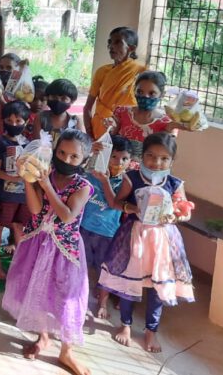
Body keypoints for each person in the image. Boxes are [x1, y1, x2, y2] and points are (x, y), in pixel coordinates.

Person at [2, 129, 94, 375]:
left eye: (74, 156)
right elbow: (34, 209)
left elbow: (66, 215)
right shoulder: (45, 173)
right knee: (39, 289)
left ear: (85, 160)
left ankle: (67, 352)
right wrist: (28, 181)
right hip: (36, 242)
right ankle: (44, 336)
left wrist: (45, 185)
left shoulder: (83, 186)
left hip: (64, 249)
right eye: (62, 153)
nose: (66, 159)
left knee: (66, 298)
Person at [99, 132, 194, 354]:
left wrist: (176, 216)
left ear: (172, 161)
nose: (156, 162)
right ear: (143, 155)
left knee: (157, 286)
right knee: (128, 282)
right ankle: (126, 325)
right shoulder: (132, 177)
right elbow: (115, 202)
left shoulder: (174, 183)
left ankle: (151, 330)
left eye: (164, 158)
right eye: (151, 156)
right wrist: (133, 209)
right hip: (134, 236)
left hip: (163, 241)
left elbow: (184, 211)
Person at [81, 135, 131, 319]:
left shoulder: (125, 183)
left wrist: (105, 181)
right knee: (82, 266)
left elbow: (113, 203)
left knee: (105, 270)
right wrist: (89, 153)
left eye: (124, 158)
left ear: (130, 161)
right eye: (114, 157)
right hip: (85, 229)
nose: (119, 162)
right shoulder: (92, 174)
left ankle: (102, 302)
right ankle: (80, 296)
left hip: (108, 234)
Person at [0, 100, 31, 280]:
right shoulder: (0, 143)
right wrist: (15, 178)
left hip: (24, 195)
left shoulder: (30, 144)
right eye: (10, 120)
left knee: (19, 227)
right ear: (3, 121)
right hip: (6, 195)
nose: (14, 125)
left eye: (18, 121)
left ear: (26, 122)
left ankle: (19, 264)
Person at [84, 27, 145, 140]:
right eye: (110, 42)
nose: (111, 46)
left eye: (117, 42)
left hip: (126, 129)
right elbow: (88, 107)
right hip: (100, 128)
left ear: (131, 48)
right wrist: (89, 133)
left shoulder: (141, 73)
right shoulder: (102, 72)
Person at [107, 71, 176, 161]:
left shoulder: (165, 123)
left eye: (151, 93)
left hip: (145, 173)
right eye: (140, 92)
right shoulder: (121, 113)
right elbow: (109, 144)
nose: (145, 96)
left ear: (162, 95)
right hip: (117, 168)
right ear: (134, 91)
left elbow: (164, 156)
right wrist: (116, 127)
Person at [32, 78, 84, 144]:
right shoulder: (40, 118)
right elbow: (37, 144)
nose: (58, 101)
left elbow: (82, 144)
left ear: (72, 101)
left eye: (64, 98)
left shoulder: (76, 121)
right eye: (54, 97)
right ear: (48, 97)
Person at [23, 76, 48, 140]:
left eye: (42, 100)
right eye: (34, 99)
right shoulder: (22, 114)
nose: (38, 103)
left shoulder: (50, 117)